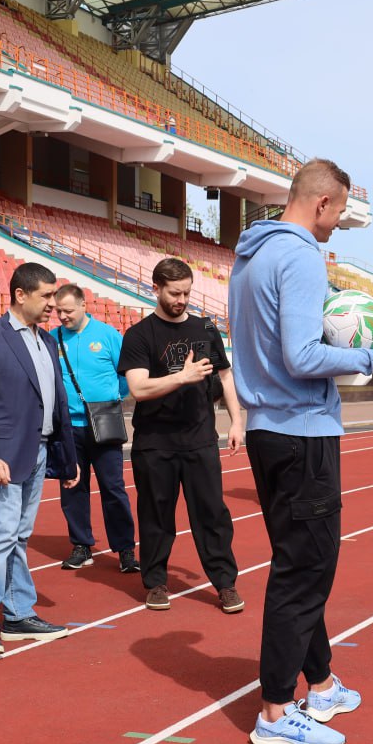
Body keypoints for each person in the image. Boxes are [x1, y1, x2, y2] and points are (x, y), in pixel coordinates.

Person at [230, 158, 373, 744]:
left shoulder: (248, 256)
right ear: (321, 203)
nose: (335, 228)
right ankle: (275, 712)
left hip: (267, 430)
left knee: (298, 561)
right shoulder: (299, 255)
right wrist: (371, 357)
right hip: (302, 432)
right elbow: (302, 357)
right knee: (304, 572)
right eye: (338, 214)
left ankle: (320, 684)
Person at [0, 262, 79, 656]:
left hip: (38, 453)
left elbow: (55, 402)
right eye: (46, 296)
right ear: (20, 295)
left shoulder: (46, 340)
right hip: (2, 458)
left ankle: (17, 614)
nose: (53, 304)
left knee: (19, 537)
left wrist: (68, 458)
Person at [119, 258, 244, 613]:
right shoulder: (139, 335)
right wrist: (181, 377)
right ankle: (156, 582)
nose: (182, 299)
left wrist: (236, 422)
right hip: (155, 443)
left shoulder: (205, 329)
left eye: (187, 292)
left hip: (200, 439)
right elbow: (139, 389)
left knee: (212, 515)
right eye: (175, 293)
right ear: (156, 289)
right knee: (156, 515)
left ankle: (225, 584)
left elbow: (225, 377)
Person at [53, 284, 137, 574]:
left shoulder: (108, 335)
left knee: (113, 488)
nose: (62, 316)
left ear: (83, 305)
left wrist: (114, 396)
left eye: (67, 310)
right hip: (68, 428)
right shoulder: (53, 339)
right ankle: (81, 544)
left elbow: (126, 374)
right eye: (58, 311)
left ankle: (125, 549)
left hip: (103, 423)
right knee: (73, 488)